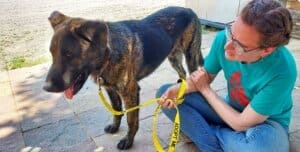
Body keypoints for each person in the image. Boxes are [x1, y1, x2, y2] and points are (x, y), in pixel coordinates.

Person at [156, 0, 297, 151]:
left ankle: (207, 136)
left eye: (240, 45)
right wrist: (177, 89)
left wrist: (206, 90)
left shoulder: (283, 71)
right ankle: (228, 141)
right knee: (166, 93)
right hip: (228, 110)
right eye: (231, 32)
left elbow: (241, 123)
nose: (227, 45)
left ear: (267, 50)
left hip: (266, 124)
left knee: (262, 148)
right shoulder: (225, 38)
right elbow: (203, 78)